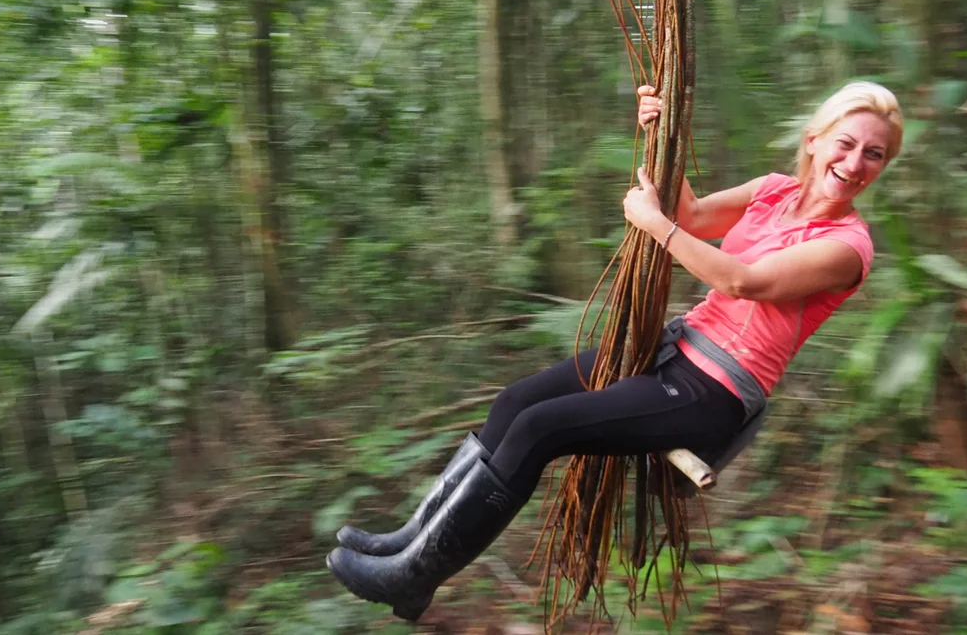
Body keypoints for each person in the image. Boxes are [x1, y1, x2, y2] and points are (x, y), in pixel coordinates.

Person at [327, 81, 904, 621]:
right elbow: (694, 216)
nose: (854, 164)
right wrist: (660, 134)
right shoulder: (774, 190)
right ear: (814, 140)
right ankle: (410, 543)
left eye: (873, 155)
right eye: (846, 144)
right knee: (513, 403)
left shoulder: (847, 247)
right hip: (673, 350)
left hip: (715, 390)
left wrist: (656, 226)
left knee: (539, 428)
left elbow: (742, 281)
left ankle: (415, 578)